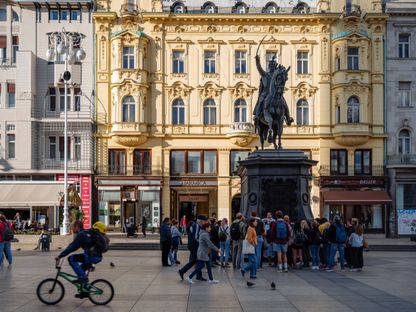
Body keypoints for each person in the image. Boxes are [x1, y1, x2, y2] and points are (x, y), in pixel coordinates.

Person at [55, 221, 109, 298]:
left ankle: (82, 278)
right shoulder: (86, 234)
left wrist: (60, 256)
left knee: (71, 258)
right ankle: (84, 291)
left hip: (91, 257)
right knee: (80, 270)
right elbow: (74, 246)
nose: (71, 228)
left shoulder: (82, 235)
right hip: (96, 257)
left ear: (77, 226)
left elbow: (72, 247)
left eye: (72, 226)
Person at [178, 215, 208, 281]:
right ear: (200, 221)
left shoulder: (196, 226)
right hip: (194, 246)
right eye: (204, 221)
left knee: (196, 260)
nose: (205, 222)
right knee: (196, 260)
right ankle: (182, 271)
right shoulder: (196, 226)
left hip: (193, 246)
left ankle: (198, 276)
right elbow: (196, 237)